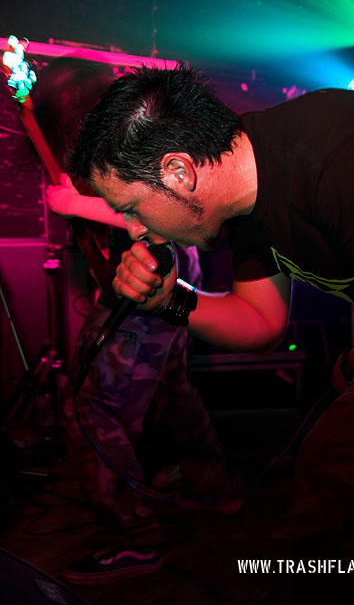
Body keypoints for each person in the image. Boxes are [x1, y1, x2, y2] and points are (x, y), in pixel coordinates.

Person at [71, 64, 354, 597]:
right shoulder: (245, 197)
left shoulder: (335, 157)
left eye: (132, 209)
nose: (135, 230)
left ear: (179, 172)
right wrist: (168, 299)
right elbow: (262, 321)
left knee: (341, 464)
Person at [32, 59, 241, 586]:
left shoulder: (134, 142)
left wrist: (74, 203)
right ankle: (215, 488)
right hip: (163, 286)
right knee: (174, 393)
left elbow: (151, 209)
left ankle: (135, 537)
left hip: (152, 286)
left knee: (90, 408)